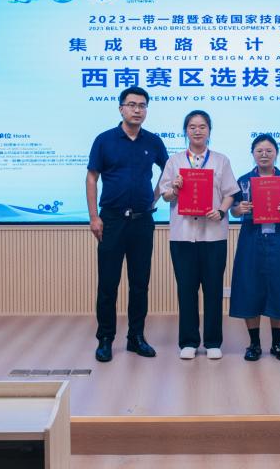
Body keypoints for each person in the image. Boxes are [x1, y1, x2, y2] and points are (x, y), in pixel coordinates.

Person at [87, 86, 169, 362]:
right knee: (108, 284)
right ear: (121, 108)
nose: (137, 110)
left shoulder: (153, 142)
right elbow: (91, 177)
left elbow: (168, 172)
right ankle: (105, 339)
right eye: (132, 105)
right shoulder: (104, 140)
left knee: (140, 283)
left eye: (142, 105)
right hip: (111, 220)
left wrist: (154, 197)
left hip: (142, 221)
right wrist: (94, 217)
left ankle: (136, 337)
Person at [158, 110, 238, 360]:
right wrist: (174, 188)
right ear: (186, 131)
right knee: (186, 289)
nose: (197, 131)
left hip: (213, 235)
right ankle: (189, 341)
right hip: (182, 236)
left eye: (202, 126)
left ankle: (213, 341)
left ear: (209, 131)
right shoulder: (174, 161)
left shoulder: (221, 161)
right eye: (192, 127)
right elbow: (165, 195)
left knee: (213, 289)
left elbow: (230, 193)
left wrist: (221, 211)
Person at [229, 134, 280, 362]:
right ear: (252, 154)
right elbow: (233, 211)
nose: (264, 154)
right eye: (259, 150)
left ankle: (277, 344)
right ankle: (254, 344)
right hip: (251, 239)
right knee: (250, 287)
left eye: (269, 150)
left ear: (276, 153)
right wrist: (239, 209)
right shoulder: (243, 180)